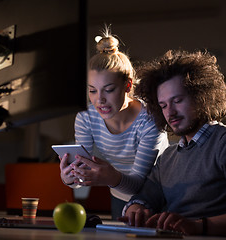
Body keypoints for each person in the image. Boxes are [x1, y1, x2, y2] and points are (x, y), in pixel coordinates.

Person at [120, 49, 226, 238]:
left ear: (202, 97)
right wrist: (136, 208)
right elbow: (142, 199)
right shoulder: (167, 157)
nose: (170, 112)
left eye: (178, 100)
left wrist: (199, 226)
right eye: (164, 105)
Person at [59, 26, 168, 219]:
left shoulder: (150, 120)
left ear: (127, 85)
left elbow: (139, 183)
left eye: (108, 90)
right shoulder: (86, 117)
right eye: (92, 90)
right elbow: (80, 171)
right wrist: (70, 178)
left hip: (157, 197)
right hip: (118, 195)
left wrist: (110, 177)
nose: (99, 100)